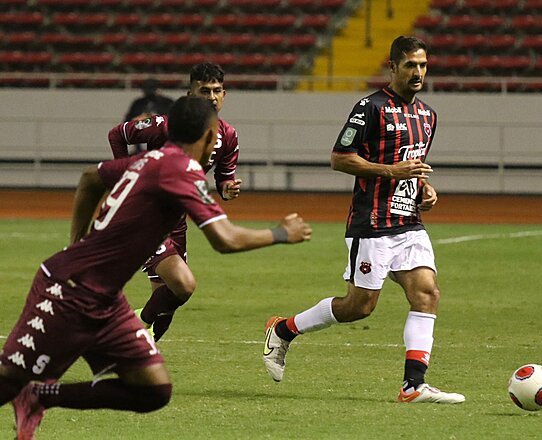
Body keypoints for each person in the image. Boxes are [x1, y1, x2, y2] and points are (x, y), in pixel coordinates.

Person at [0, 96, 312, 439]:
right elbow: (225, 239)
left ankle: (38, 396)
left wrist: (78, 241)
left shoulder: (152, 158)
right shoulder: (182, 169)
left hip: (107, 300)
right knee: (6, 381)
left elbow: (91, 178)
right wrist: (282, 233)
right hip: (69, 290)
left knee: (153, 390)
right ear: (209, 137)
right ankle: (25, 390)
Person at [262, 36, 465, 404]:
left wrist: (423, 188)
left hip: (409, 222)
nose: (418, 72)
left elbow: (411, 165)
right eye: (410, 65)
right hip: (371, 223)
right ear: (393, 67)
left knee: (427, 293)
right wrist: (391, 172)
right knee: (359, 307)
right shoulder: (370, 108)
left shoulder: (428, 116)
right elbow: (340, 158)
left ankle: (413, 386)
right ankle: (284, 329)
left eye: (422, 65)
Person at [109, 63, 242, 341]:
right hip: (145, 216)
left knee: (167, 305)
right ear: (190, 93)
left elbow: (225, 178)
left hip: (176, 219)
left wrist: (227, 189)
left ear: (224, 94)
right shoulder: (162, 125)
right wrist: (123, 174)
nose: (211, 97)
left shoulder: (227, 135)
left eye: (217, 91)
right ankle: (130, 327)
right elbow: (118, 134)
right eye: (204, 90)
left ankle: (136, 356)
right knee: (182, 285)